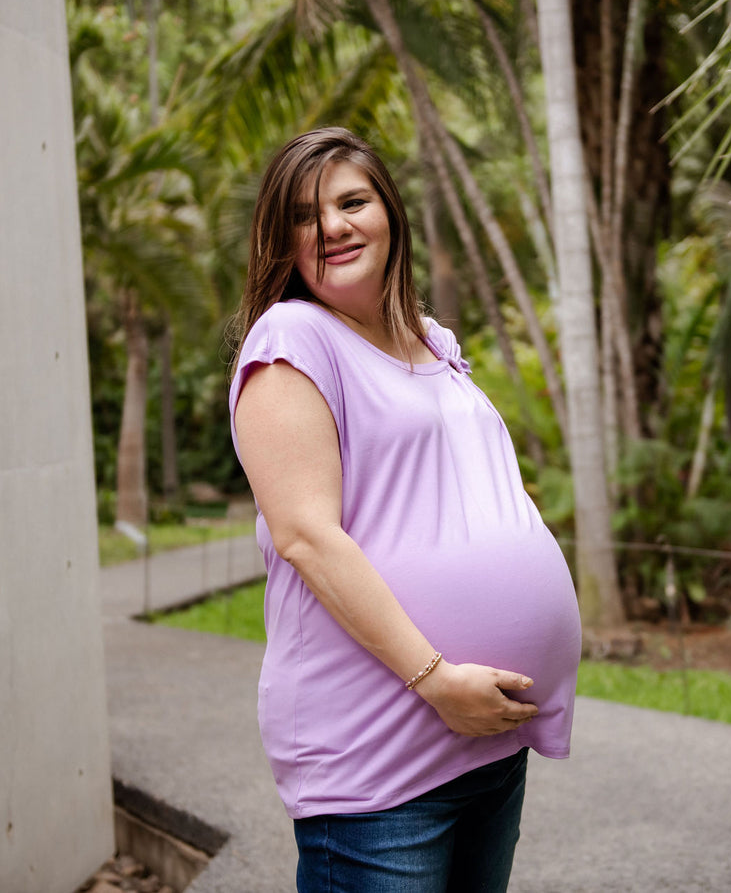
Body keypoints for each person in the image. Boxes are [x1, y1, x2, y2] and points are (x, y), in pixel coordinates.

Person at [229, 127, 582, 892]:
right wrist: (434, 679)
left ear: (389, 212)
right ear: (279, 240)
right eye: (303, 214)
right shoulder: (291, 339)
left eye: (352, 200)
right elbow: (306, 536)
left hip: (487, 736)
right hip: (379, 756)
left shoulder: (431, 341)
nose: (332, 226)